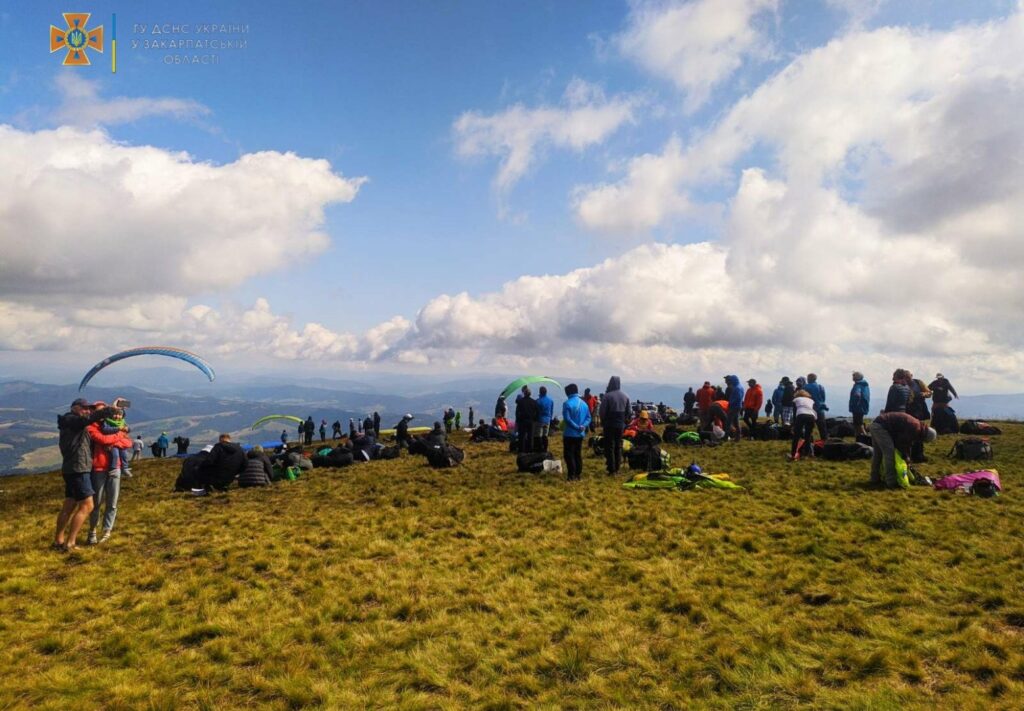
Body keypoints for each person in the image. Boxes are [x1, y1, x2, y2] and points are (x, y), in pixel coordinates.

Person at [55, 398, 115, 552]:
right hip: (78, 469)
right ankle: (70, 544)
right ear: (74, 407)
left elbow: (91, 423)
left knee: (69, 504)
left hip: (71, 468)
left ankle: (59, 541)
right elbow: (88, 420)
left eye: (89, 408)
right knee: (88, 505)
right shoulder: (72, 420)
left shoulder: (70, 421)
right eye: (84, 408)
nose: (87, 411)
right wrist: (109, 409)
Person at [86, 404, 134, 545]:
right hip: (99, 468)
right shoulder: (91, 426)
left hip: (115, 468)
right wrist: (120, 433)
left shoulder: (112, 424)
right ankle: (92, 531)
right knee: (96, 503)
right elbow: (103, 440)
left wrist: (115, 442)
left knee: (112, 503)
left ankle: (107, 531)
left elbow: (128, 443)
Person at [869, 412, 937, 488]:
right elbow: (902, 442)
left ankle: (874, 479)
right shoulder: (915, 428)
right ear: (925, 436)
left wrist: (907, 456)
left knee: (878, 454)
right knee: (889, 454)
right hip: (880, 428)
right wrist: (906, 456)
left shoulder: (917, 426)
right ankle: (891, 482)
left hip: (876, 424)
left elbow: (908, 443)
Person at [599, 376, 630, 475]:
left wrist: (603, 421)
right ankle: (617, 468)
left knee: (610, 446)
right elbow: (629, 412)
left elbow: (602, 412)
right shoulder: (625, 396)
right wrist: (624, 421)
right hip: (620, 425)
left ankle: (611, 469)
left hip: (609, 424)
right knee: (618, 446)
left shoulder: (607, 396)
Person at [561, 383, 591, 482]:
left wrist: (576, 427)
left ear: (568, 392)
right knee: (577, 454)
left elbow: (567, 419)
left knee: (569, 454)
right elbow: (588, 418)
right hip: (580, 434)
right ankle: (578, 475)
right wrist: (583, 426)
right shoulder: (584, 403)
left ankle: (571, 475)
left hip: (570, 433)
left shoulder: (567, 403)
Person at [99, 407, 132, 477]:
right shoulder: (107, 421)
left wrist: (127, 429)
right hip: (112, 443)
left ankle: (125, 468)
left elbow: (128, 429)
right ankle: (113, 469)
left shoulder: (122, 422)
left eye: (119, 415)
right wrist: (117, 429)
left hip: (121, 442)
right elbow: (105, 430)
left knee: (124, 455)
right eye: (115, 414)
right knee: (115, 455)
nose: (117, 416)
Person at [788, 389, 817, 461]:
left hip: (801, 415)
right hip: (811, 416)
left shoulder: (796, 400)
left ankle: (793, 455)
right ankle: (806, 454)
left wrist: (794, 424)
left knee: (796, 437)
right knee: (808, 436)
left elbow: (795, 413)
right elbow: (814, 410)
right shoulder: (811, 400)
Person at [514, 387, 539, 454]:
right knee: (530, 436)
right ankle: (530, 449)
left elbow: (517, 412)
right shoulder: (534, 402)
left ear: (524, 394)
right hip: (531, 421)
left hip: (522, 421)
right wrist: (535, 419)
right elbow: (537, 412)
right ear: (530, 394)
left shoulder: (520, 402)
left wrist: (518, 420)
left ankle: (521, 450)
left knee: (521, 436)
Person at [804, 373, 829, 439]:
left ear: (809, 379)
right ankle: (824, 442)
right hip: (820, 409)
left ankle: (809, 443)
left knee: (809, 427)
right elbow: (823, 398)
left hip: (810, 409)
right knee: (822, 427)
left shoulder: (806, 387)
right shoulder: (821, 387)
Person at [724, 375, 745, 441]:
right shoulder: (740, 386)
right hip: (738, 406)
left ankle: (725, 437)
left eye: (731, 380)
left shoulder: (736, 388)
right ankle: (738, 437)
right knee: (736, 422)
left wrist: (731, 402)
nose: (730, 381)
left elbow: (737, 398)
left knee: (728, 422)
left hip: (734, 407)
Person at [535, 386, 554, 452]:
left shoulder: (538, 401)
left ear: (540, 392)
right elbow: (551, 411)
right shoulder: (551, 401)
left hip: (539, 420)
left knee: (538, 435)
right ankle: (545, 449)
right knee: (545, 435)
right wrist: (550, 418)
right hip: (547, 420)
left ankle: (540, 449)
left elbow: (536, 412)